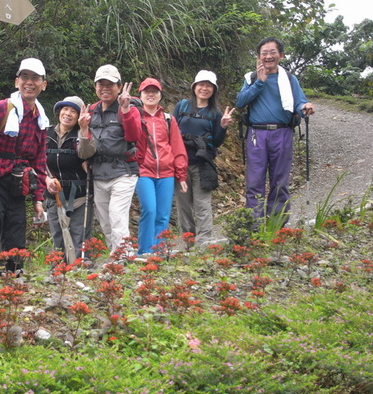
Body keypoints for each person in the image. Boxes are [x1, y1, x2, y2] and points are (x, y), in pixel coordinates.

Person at [0, 58, 49, 272]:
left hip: (19, 183)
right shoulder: (1, 109)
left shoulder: (41, 119)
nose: (29, 82)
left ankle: (13, 281)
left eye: (35, 78)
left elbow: (39, 160)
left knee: (16, 234)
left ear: (43, 84)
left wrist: (38, 199)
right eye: (24, 77)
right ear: (16, 81)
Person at [236, 37, 315, 223]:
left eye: (272, 52)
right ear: (258, 57)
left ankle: (276, 226)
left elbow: (299, 101)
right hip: (257, 134)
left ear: (281, 55)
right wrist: (260, 82)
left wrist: (305, 106)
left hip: (282, 133)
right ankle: (254, 226)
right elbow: (240, 102)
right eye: (264, 53)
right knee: (255, 182)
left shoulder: (289, 78)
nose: (268, 56)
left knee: (280, 182)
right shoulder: (251, 78)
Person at [78, 64, 143, 254]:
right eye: (101, 84)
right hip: (98, 173)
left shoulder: (130, 108)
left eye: (110, 84)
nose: (105, 88)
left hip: (123, 172)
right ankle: (116, 257)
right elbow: (86, 147)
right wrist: (83, 129)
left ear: (119, 86)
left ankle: (125, 257)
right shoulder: (91, 110)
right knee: (105, 220)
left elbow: (133, 136)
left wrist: (125, 110)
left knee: (117, 216)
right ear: (95, 86)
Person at [174, 70, 234, 247]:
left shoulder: (215, 113)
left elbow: (216, 141)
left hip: (202, 164)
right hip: (181, 164)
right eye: (201, 84)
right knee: (183, 206)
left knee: (202, 205)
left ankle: (204, 243)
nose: (204, 88)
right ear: (194, 87)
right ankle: (188, 242)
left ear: (213, 89)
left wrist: (222, 126)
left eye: (208, 85)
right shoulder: (182, 106)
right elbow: (173, 133)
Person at [135, 78, 188, 255]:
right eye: (146, 91)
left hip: (166, 173)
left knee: (163, 215)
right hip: (144, 171)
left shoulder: (168, 119)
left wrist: (181, 175)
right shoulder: (135, 118)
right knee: (149, 209)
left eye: (154, 91)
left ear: (160, 96)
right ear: (140, 95)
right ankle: (144, 251)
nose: (150, 95)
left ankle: (159, 251)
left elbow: (177, 147)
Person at [44, 96, 94, 263]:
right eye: (65, 109)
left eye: (74, 111)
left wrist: (84, 130)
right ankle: (57, 272)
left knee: (79, 236)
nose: (68, 114)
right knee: (57, 236)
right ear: (59, 111)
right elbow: (37, 161)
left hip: (79, 195)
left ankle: (80, 271)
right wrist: (46, 179)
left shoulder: (82, 135)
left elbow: (86, 154)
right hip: (54, 195)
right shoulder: (46, 133)